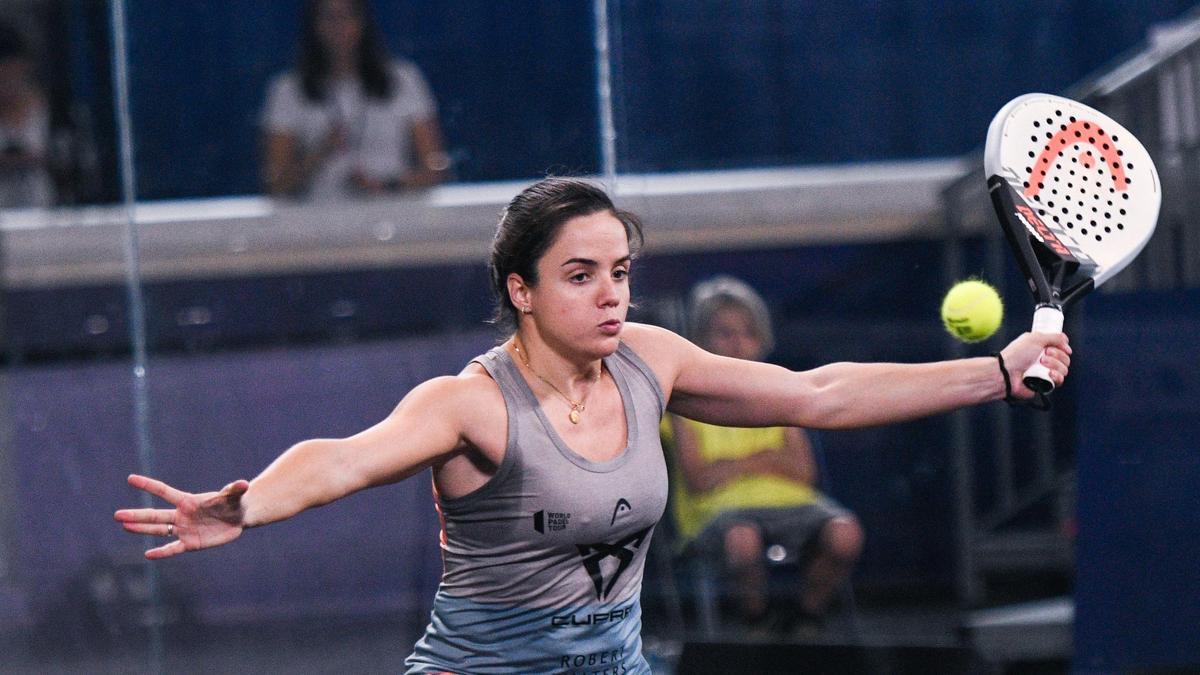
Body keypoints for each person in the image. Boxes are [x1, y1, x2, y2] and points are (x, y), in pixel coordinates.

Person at [114, 177, 1071, 673]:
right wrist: (251, 507)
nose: (610, 292)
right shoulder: (472, 403)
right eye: (581, 275)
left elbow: (820, 392)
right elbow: (348, 457)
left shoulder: (654, 357)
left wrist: (992, 373)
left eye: (619, 270)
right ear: (520, 291)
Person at [662, 276, 862, 630]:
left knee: (846, 534)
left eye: (747, 333)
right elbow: (700, 480)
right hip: (715, 518)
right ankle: (757, 625)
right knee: (744, 539)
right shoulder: (681, 403)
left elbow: (803, 472)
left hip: (795, 506)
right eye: (724, 333)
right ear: (699, 339)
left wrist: (733, 466)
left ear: (761, 339)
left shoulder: (781, 391)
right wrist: (768, 460)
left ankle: (804, 621)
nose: (738, 343)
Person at [261, 0, 448, 200]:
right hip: (319, 222)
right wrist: (318, 154)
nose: (339, 26)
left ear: (364, 21)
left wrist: (386, 184)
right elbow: (276, 184)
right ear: (313, 25)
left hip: (394, 216)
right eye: (329, 17)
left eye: (348, 15)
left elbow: (434, 169)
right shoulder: (288, 90)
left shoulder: (403, 79)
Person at [0, 20, 54, 208]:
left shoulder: (45, 105)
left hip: (40, 209)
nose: (7, 81)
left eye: (12, 72)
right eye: (2, 74)